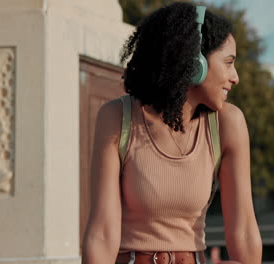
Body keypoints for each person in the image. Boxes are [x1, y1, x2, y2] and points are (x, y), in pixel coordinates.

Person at [81, 2, 262, 264]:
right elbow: (101, 234)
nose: (235, 77)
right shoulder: (117, 117)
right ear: (194, 63)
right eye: (228, 63)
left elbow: (243, 231)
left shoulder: (227, 124)